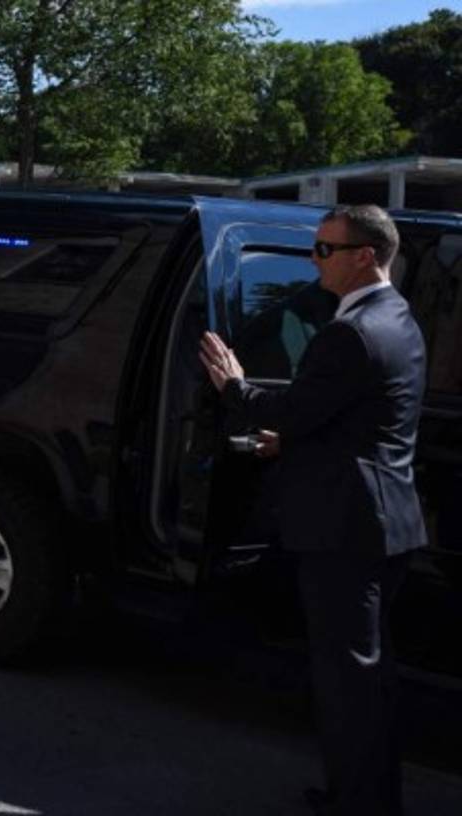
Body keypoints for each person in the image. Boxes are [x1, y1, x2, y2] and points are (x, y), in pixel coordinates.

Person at [199, 204, 426, 816]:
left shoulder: (351, 332)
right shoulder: (397, 316)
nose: (313, 259)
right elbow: (354, 417)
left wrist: (234, 386)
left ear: (363, 257)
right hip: (384, 523)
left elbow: (296, 409)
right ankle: (363, 795)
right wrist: (292, 441)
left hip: (345, 531)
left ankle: (360, 805)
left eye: (325, 249)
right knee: (368, 679)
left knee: (349, 684)